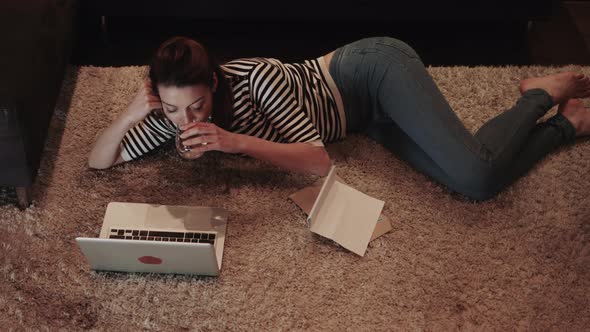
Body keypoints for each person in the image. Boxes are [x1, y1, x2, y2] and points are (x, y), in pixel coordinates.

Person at [88, 36, 590, 201]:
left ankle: (541, 97)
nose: (186, 118)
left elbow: (316, 160)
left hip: (372, 75)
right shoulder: (169, 113)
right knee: (475, 180)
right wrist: (136, 111)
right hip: (364, 122)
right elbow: (97, 163)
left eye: (196, 106)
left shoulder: (257, 79)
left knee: (475, 172)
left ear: (214, 85)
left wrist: (233, 141)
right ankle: (565, 120)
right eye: (174, 108)